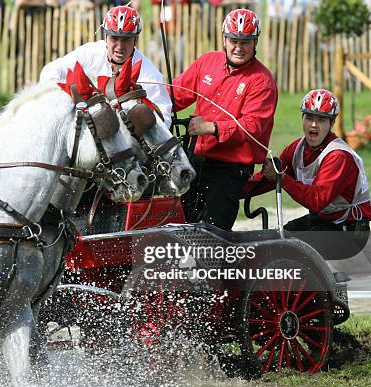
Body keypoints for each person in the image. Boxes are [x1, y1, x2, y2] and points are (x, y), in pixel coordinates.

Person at [170, 8, 278, 231]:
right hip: (194, 158)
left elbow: (253, 126)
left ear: (255, 42)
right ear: (224, 39)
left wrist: (209, 127)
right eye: (233, 40)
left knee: (211, 232)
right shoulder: (207, 62)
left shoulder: (262, 81)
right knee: (180, 224)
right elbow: (175, 95)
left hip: (230, 169)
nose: (238, 47)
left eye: (245, 42)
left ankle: (214, 265)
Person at [245, 89, 371, 258]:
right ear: (302, 118)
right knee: (278, 240)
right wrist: (234, 190)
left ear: (332, 123)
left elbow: (317, 201)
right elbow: (270, 178)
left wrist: (281, 178)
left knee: (292, 250)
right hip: (324, 222)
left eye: (321, 119)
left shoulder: (338, 156)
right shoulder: (296, 149)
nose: (314, 124)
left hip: (349, 231)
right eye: (309, 117)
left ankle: (322, 283)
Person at [40, 5, 172, 130]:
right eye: (114, 38)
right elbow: (49, 72)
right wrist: (70, 97)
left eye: (126, 39)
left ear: (136, 39)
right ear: (105, 36)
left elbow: (164, 120)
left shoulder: (150, 74)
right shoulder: (90, 53)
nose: (119, 46)